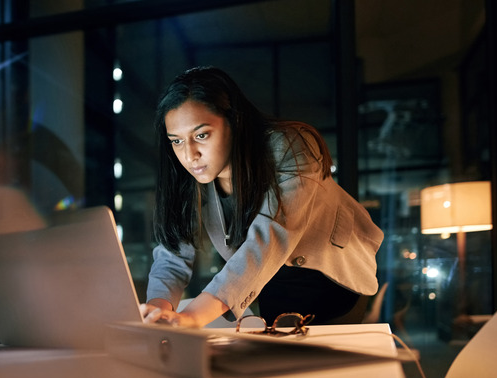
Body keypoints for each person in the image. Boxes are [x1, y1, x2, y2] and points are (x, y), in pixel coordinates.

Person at [140, 66, 384, 328]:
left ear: (234, 121)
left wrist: (193, 316)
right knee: (277, 364)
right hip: (271, 281)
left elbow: (271, 235)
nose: (189, 155)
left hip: (333, 279)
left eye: (201, 135)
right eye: (176, 141)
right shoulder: (191, 177)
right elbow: (173, 256)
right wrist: (157, 312)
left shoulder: (289, 146)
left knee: (324, 365)